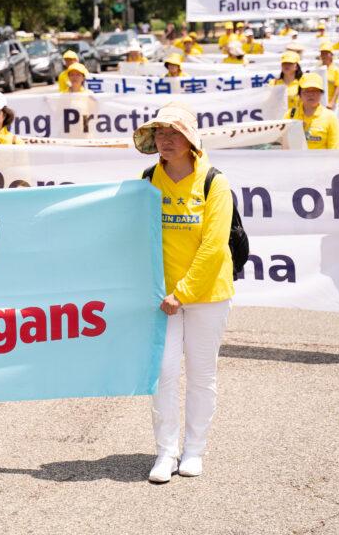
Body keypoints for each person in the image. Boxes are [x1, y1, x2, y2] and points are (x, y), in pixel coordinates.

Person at [132, 102, 234, 484]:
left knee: (201, 374)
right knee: (163, 372)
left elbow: (214, 245)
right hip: (162, 299)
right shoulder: (148, 179)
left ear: (191, 139)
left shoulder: (214, 182)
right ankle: (166, 451)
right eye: (160, 133)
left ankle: (194, 450)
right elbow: (136, 236)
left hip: (207, 293)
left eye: (174, 133)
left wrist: (184, 292)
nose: (165, 141)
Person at [289, 73, 339, 149]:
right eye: (307, 91)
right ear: (299, 94)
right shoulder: (290, 115)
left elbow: (334, 151)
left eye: (315, 91)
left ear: (321, 93)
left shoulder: (330, 117)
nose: (311, 94)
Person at [318, 42, 339, 110]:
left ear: (331, 55)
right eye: (322, 53)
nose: (324, 55)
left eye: (326, 53)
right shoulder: (317, 68)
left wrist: (332, 102)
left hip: (330, 104)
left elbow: (338, 88)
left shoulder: (336, 70)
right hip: (319, 103)